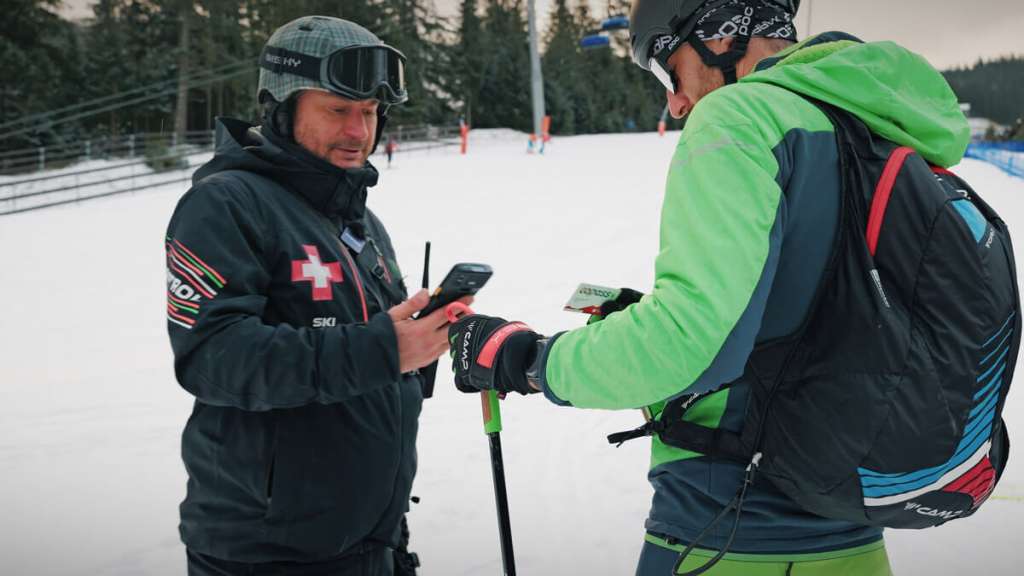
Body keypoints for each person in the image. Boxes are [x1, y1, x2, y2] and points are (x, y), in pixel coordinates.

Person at [447, 0, 972, 574]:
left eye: (666, 67)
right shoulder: (869, 125)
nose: (673, 100)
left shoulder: (739, 118)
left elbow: (688, 349)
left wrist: (527, 359)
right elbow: (814, 314)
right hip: (854, 539)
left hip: (726, 536)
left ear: (722, 34)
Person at [165, 15, 463, 576]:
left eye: (370, 112)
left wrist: (424, 342)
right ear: (281, 107)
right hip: (269, 555)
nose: (359, 132)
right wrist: (385, 350)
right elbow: (214, 359)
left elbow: (366, 348)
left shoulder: (358, 218)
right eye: (337, 110)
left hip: (369, 543)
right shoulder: (226, 205)